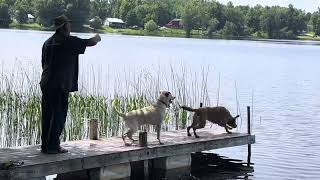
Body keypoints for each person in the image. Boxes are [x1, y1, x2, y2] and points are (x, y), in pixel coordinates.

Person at [40, 15, 101, 154]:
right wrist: (98, 36)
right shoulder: (67, 41)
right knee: (59, 115)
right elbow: (90, 42)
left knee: (48, 114)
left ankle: (45, 146)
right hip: (60, 85)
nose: (70, 26)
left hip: (46, 82)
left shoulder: (47, 42)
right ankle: (54, 146)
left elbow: (43, 63)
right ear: (63, 27)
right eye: (68, 24)